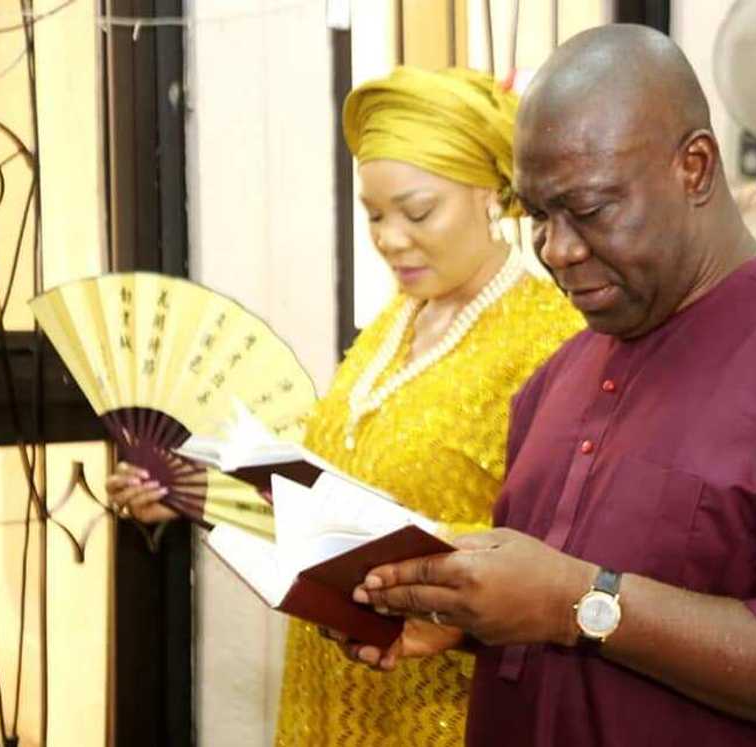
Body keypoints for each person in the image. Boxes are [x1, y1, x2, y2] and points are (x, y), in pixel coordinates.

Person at [351, 25, 756, 746]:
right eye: (541, 217)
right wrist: (464, 613)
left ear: (694, 168)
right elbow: (565, 614)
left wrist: (576, 601)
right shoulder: (560, 374)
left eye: (593, 209)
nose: (558, 250)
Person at [106, 66, 583, 746]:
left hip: (440, 698)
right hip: (331, 682)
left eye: (417, 212)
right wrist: (195, 488)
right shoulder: (394, 324)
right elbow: (342, 476)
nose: (390, 238)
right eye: (374, 215)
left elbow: (561, 545)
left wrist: (406, 541)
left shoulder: (552, 340)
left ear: (487, 190)